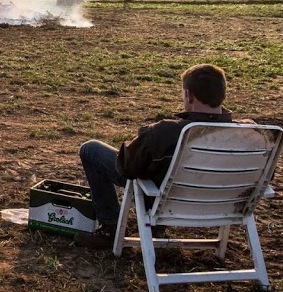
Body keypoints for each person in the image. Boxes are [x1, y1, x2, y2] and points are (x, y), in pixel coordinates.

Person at [75, 63, 246, 249]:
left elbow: (126, 167)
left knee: (90, 149)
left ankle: (110, 228)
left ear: (189, 95)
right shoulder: (250, 135)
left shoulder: (166, 132)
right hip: (225, 205)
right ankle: (156, 228)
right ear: (223, 94)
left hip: (168, 202)